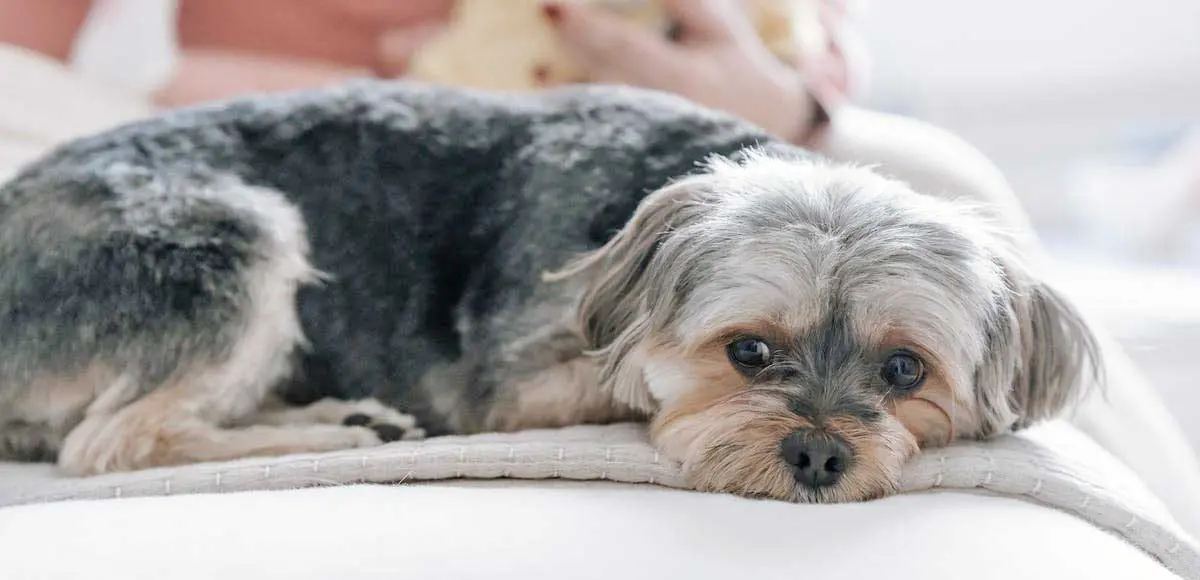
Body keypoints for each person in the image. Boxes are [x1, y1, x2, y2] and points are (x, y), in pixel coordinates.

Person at [3, 0, 1200, 532]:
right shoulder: (606, 283)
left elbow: (814, 36)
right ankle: (156, 419)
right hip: (190, 159)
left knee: (965, 179)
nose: (826, 430)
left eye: (896, 373)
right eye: (754, 357)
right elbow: (509, 387)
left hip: (766, 133)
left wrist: (800, 89)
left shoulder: (743, 244)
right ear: (641, 320)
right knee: (225, 252)